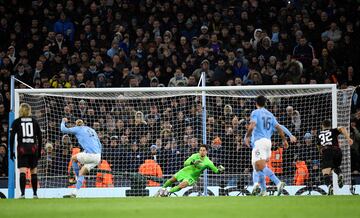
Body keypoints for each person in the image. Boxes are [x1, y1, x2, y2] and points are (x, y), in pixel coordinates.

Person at [245, 95, 289, 196]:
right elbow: (278, 128)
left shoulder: (255, 112)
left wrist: (247, 136)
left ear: (256, 103)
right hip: (268, 143)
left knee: (259, 165)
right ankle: (263, 190)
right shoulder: (270, 114)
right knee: (257, 167)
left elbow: (252, 126)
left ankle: (278, 183)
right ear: (265, 103)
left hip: (259, 142)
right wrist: (284, 140)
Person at [155, 144, 224, 196]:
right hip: (185, 171)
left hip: (192, 176)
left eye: (203, 150)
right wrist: (193, 162)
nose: (202, 152)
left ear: (206, 152)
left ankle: (168, 192)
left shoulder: (208, 162)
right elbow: (185, 163)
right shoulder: (194, 156)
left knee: (182, 185)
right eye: (200, 150)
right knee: (172, 179)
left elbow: (216, 171)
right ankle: (162, 189)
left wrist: (221, 170)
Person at [250, 124, 296, 195]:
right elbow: (282, 127)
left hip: (259, 145)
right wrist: (290, 135)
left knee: (257, 165)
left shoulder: (258, 122)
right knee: (260, 168)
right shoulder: (269, 123)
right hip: (267, 146)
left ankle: (277, 182)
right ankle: (263, 190)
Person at [61, 118, 102, 198]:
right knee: (82, 172)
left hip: (90, 155)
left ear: (77, 125)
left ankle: (76, 177)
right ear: (83, 123)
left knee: (73, 158)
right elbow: (99, 144)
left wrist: (63, 121)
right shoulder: (91, 130)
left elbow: (63, 129)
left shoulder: (78, 129)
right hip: (97, 156)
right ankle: (74, 193)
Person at [9, 103, 42, 199]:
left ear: (20, 110)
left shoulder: (16, 122)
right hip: (33, 149)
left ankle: (22, 194)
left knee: (22, 172)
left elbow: (11, 138)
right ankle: (35, 194)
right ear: (29, 111)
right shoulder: (34, 121)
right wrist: (39, 151)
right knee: (34, 172)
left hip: (22, 149)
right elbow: (40, 137)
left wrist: (11, 152)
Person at [317, 119, 353, 195]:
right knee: (335, 166)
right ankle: (340, 174)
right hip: (338, 151)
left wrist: (321, 152)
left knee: (325, 173)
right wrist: (348, 138)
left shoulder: (319, 134)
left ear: (322, 126)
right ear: (330, 125)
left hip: (327, 151)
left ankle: (330, 187)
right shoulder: (333, 130)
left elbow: (319, 146)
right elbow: (342, 128)